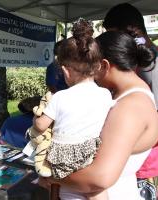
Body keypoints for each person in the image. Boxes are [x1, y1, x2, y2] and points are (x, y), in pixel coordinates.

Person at [38, 30, 158, 199]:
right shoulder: (125, 96)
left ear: (103, 65)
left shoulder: (130, 107)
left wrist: (51, 175)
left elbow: (100, 177)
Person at [102, 4, 158, 199]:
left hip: (147, 163)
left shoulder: (150, 68)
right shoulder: (149, 58)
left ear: (129, 32)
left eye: (113, 36)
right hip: (141, 158)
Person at [34, 19, 114, 199]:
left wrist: (36, 117)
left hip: (61, 161)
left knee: (51, 180)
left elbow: (40, 126)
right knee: (98, 192)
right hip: (90, 159)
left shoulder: (60, 97)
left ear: (65, 71)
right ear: (99, 66)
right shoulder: (106, 95)